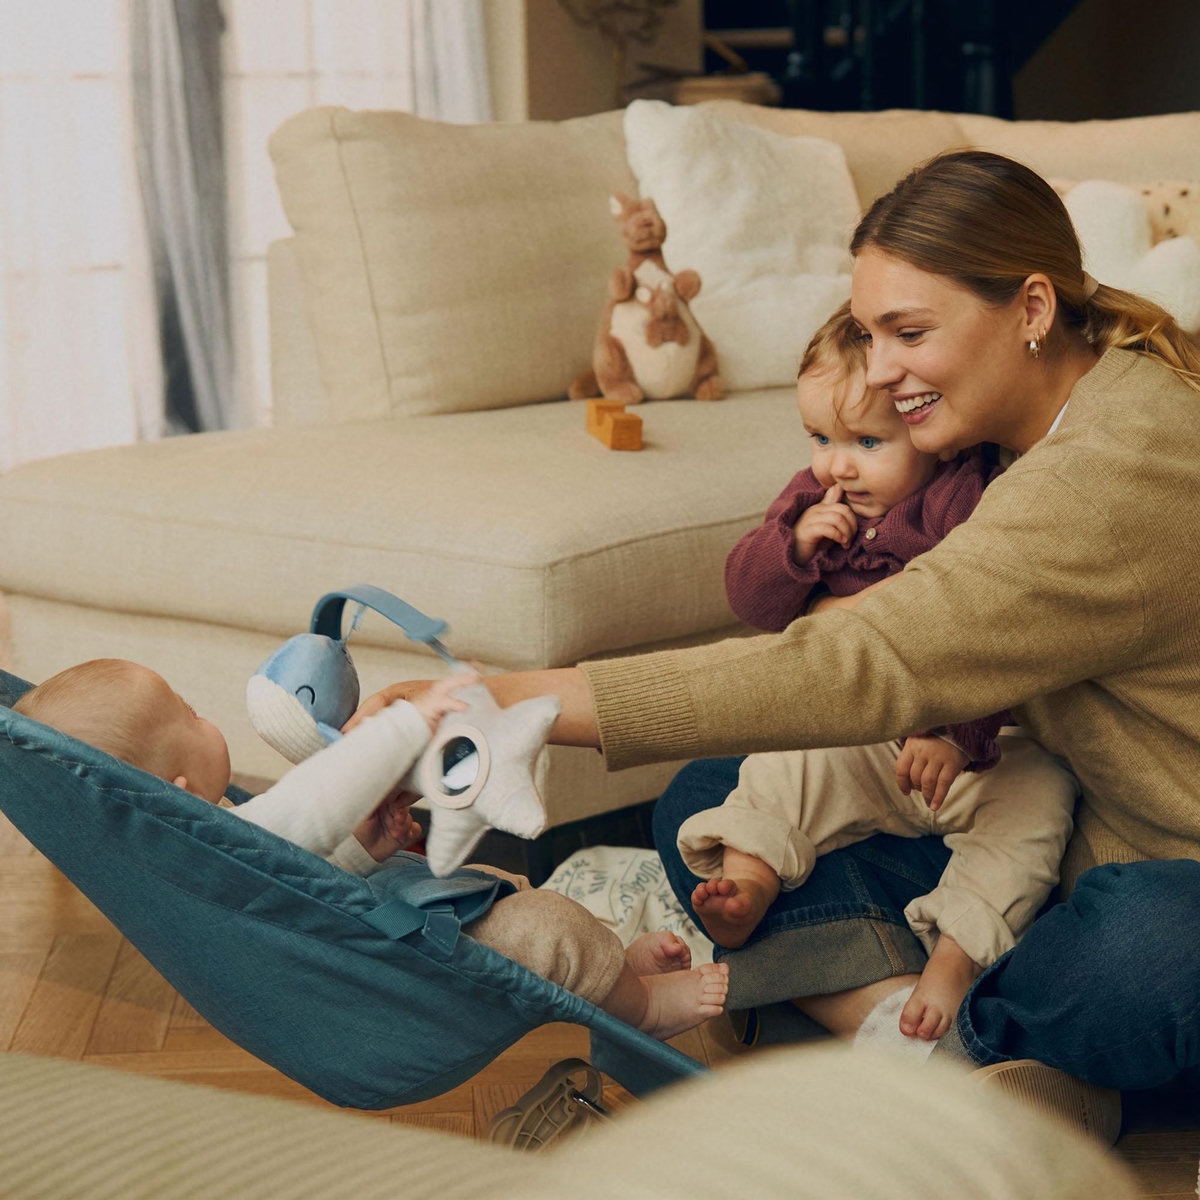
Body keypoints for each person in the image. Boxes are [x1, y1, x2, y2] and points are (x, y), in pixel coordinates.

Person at [352, 148, 1200, 1137]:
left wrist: (501, 702)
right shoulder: (1012, 432)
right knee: (711, 803)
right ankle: (953, 1044)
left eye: (909, 333)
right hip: (1040, 843)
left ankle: (931, 1037)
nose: (880, 372)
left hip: (1157, 869)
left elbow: (862, 662)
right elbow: (866, 631)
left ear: (1033, 309)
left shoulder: (1110, 472)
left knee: (1141, 952)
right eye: (871, 333)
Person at [680, 306, 1076, 1040]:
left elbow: (989, 628)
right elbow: (753, 602)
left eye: (868, 442)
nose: (837, 463)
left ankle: (951, 961)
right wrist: (791, 550)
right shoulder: (815, 498)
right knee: (770, 762)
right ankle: (748, 884)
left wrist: (958, 732)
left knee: (1040, 803)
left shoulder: (965, 499)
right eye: (820, 439)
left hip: (976, 753)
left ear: (928, 433)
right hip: (863, 742)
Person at [12, 658, 728, 1041]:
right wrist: (405, 726)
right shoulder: (219, 838)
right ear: (178, 786)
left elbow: (293, 885)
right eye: (189, 714)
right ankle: (642, 1011)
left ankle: (615, 975)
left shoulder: (195, 853)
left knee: (504, 884)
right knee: (548, 928)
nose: (206, 713)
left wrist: (362, 850)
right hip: (392, 977)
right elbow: (316, 799)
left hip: (361, 939)